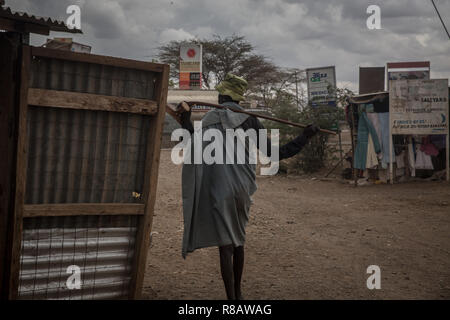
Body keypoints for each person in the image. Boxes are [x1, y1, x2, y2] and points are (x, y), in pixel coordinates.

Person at [177, 73, 319, 300]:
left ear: (222, 96)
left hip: (219, 189)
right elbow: (275, 154)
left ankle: (231, 299)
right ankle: (240, 294)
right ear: (239, 98)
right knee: (238, 241)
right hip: (242, 187)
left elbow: (192, 144)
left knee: (225, 246)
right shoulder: (250, 119)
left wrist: (184, 120)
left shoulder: (210, 119)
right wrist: (305, 136)